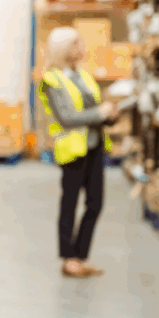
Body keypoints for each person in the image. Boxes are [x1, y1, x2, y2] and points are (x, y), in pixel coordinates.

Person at [39, 27, 118, 279]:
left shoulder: (83, 76)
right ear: (62, 50)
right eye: (75, 44)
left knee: (96, 202)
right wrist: (100, 114)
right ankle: (68, 258)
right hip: (72, 150)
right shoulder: (52, 80)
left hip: (94, 146)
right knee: (70, 204)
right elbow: (67, 118)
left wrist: (109, 116)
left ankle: (81, 257)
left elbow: (93, 109)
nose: (81, 48)